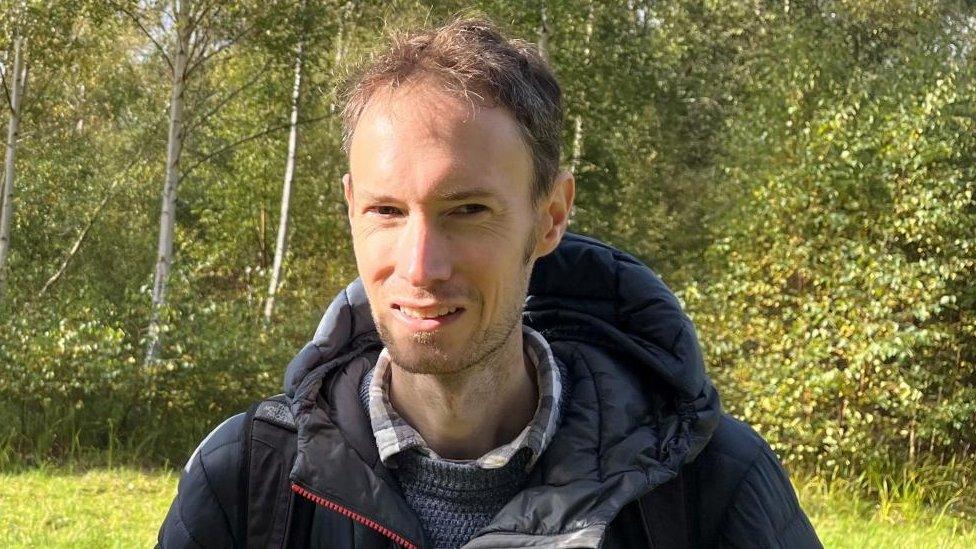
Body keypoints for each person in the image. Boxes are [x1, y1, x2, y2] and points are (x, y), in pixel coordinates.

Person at [158, 17, 821, 549]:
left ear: (551, 216)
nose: (420, 267)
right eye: (387, 211)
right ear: (350, 208)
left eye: (468, 211)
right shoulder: (249, 482)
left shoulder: (707, 484)